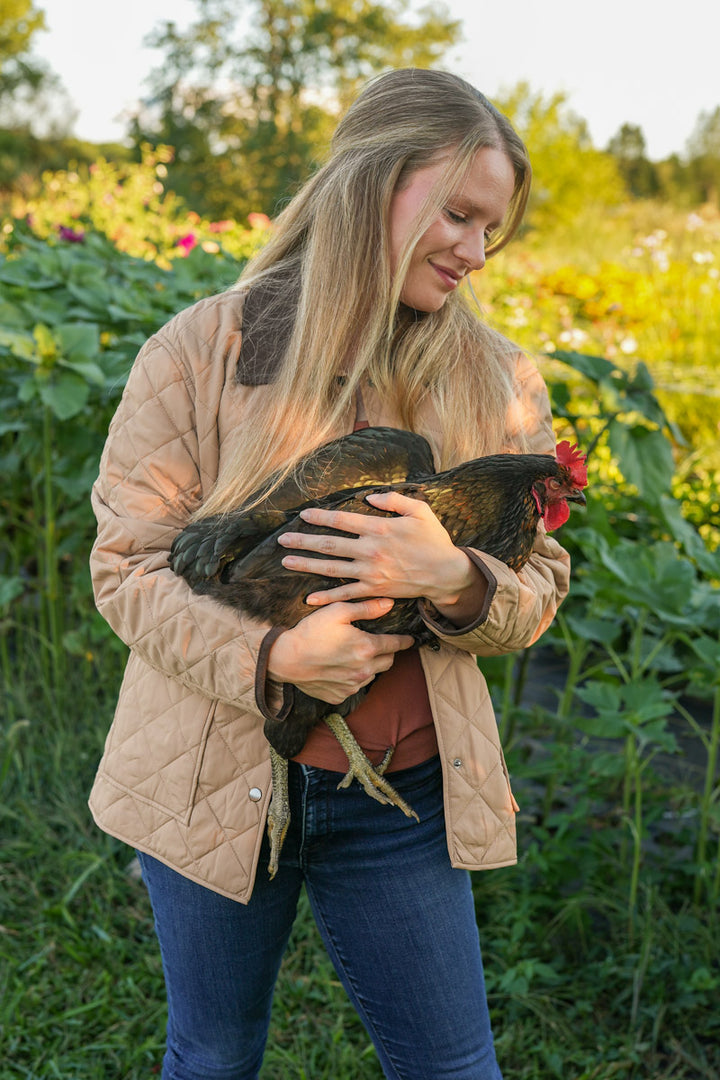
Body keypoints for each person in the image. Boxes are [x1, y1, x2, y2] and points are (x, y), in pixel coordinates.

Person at [89, 68, 570, 1080]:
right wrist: (275, 656)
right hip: (210, 778)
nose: (476, 252)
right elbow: (127, 569)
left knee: (454, 1068)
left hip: (402, 799)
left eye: (494, 232)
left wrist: (456, 579)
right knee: (213, 1055)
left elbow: (543, 579)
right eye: (461, 215)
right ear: (374, 181)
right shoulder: (199, 353)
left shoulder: (498, 378)